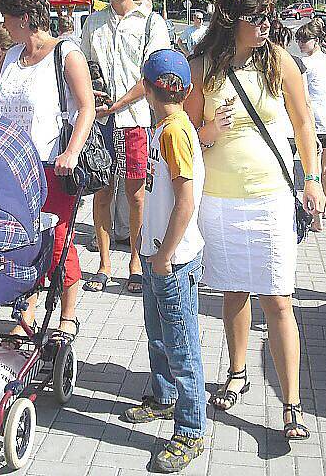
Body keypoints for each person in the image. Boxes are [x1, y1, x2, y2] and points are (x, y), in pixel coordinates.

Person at [185, 0, 324, 440]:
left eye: (270, 15)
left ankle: (291, 404)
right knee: (233, 292)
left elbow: (304, 123)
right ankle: (238, 372)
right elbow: (183, 137)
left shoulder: (278, 61)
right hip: (220, 200)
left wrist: (312, 179)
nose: (267, 24)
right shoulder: (202, 68)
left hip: (271, 196)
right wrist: (208, 133)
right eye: (256, 17)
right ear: (231, 18)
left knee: (278, 298)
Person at [0, 0, 95, 342]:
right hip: (11, 167)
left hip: (52, 165)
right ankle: (28, 311)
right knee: (20, 242)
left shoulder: (66, 53)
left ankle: (68, 315)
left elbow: (87, 107)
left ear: (25, 18)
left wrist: (72, 152)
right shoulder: (9, 57)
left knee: (58, 240)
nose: (3, 25)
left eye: (7, 17)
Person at [122, 49, 206, 473]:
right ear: (185, 89)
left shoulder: (174, 133)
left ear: (146, 90)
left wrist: (165, 255)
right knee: (158, 334)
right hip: (159, 253)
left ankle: (191, 428)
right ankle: (163, 394)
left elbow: (185, 202)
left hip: (172, 260)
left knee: (181, 343)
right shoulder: (168, 128)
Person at [81, 0, 171, 294]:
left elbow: (153, 73)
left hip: (134, 121)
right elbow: (85, 65)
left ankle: (135, 259)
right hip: (100, 123)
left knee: (136, 197)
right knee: (101, 193)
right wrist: (90, 94)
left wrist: (117, 104)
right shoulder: (94, 22)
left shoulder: (151, 23)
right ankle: (103, 264)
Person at [296, 19, 326, 232]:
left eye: (304, 39)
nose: (300, 43)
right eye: (298, 39)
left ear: (316, 40)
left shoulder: (305, 65)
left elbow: (302, 98)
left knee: (313, 174)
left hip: (314, 127)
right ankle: (323, 211)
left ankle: (317, 219)